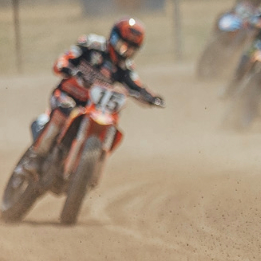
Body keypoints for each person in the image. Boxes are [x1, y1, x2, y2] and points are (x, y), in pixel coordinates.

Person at [18, 18, 163, 178]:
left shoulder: (125, 67)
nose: (126, 51)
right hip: (68, 95)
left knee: (112, 122)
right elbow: (66, 58)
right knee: (63, 112)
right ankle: (35, 159)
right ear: (114, 38)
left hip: (92, 107)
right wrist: (65, 67)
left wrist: (151, 97)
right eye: (123, 45)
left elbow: (136, 85)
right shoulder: (92, 45)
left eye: (131, 49)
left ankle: (86, 170)